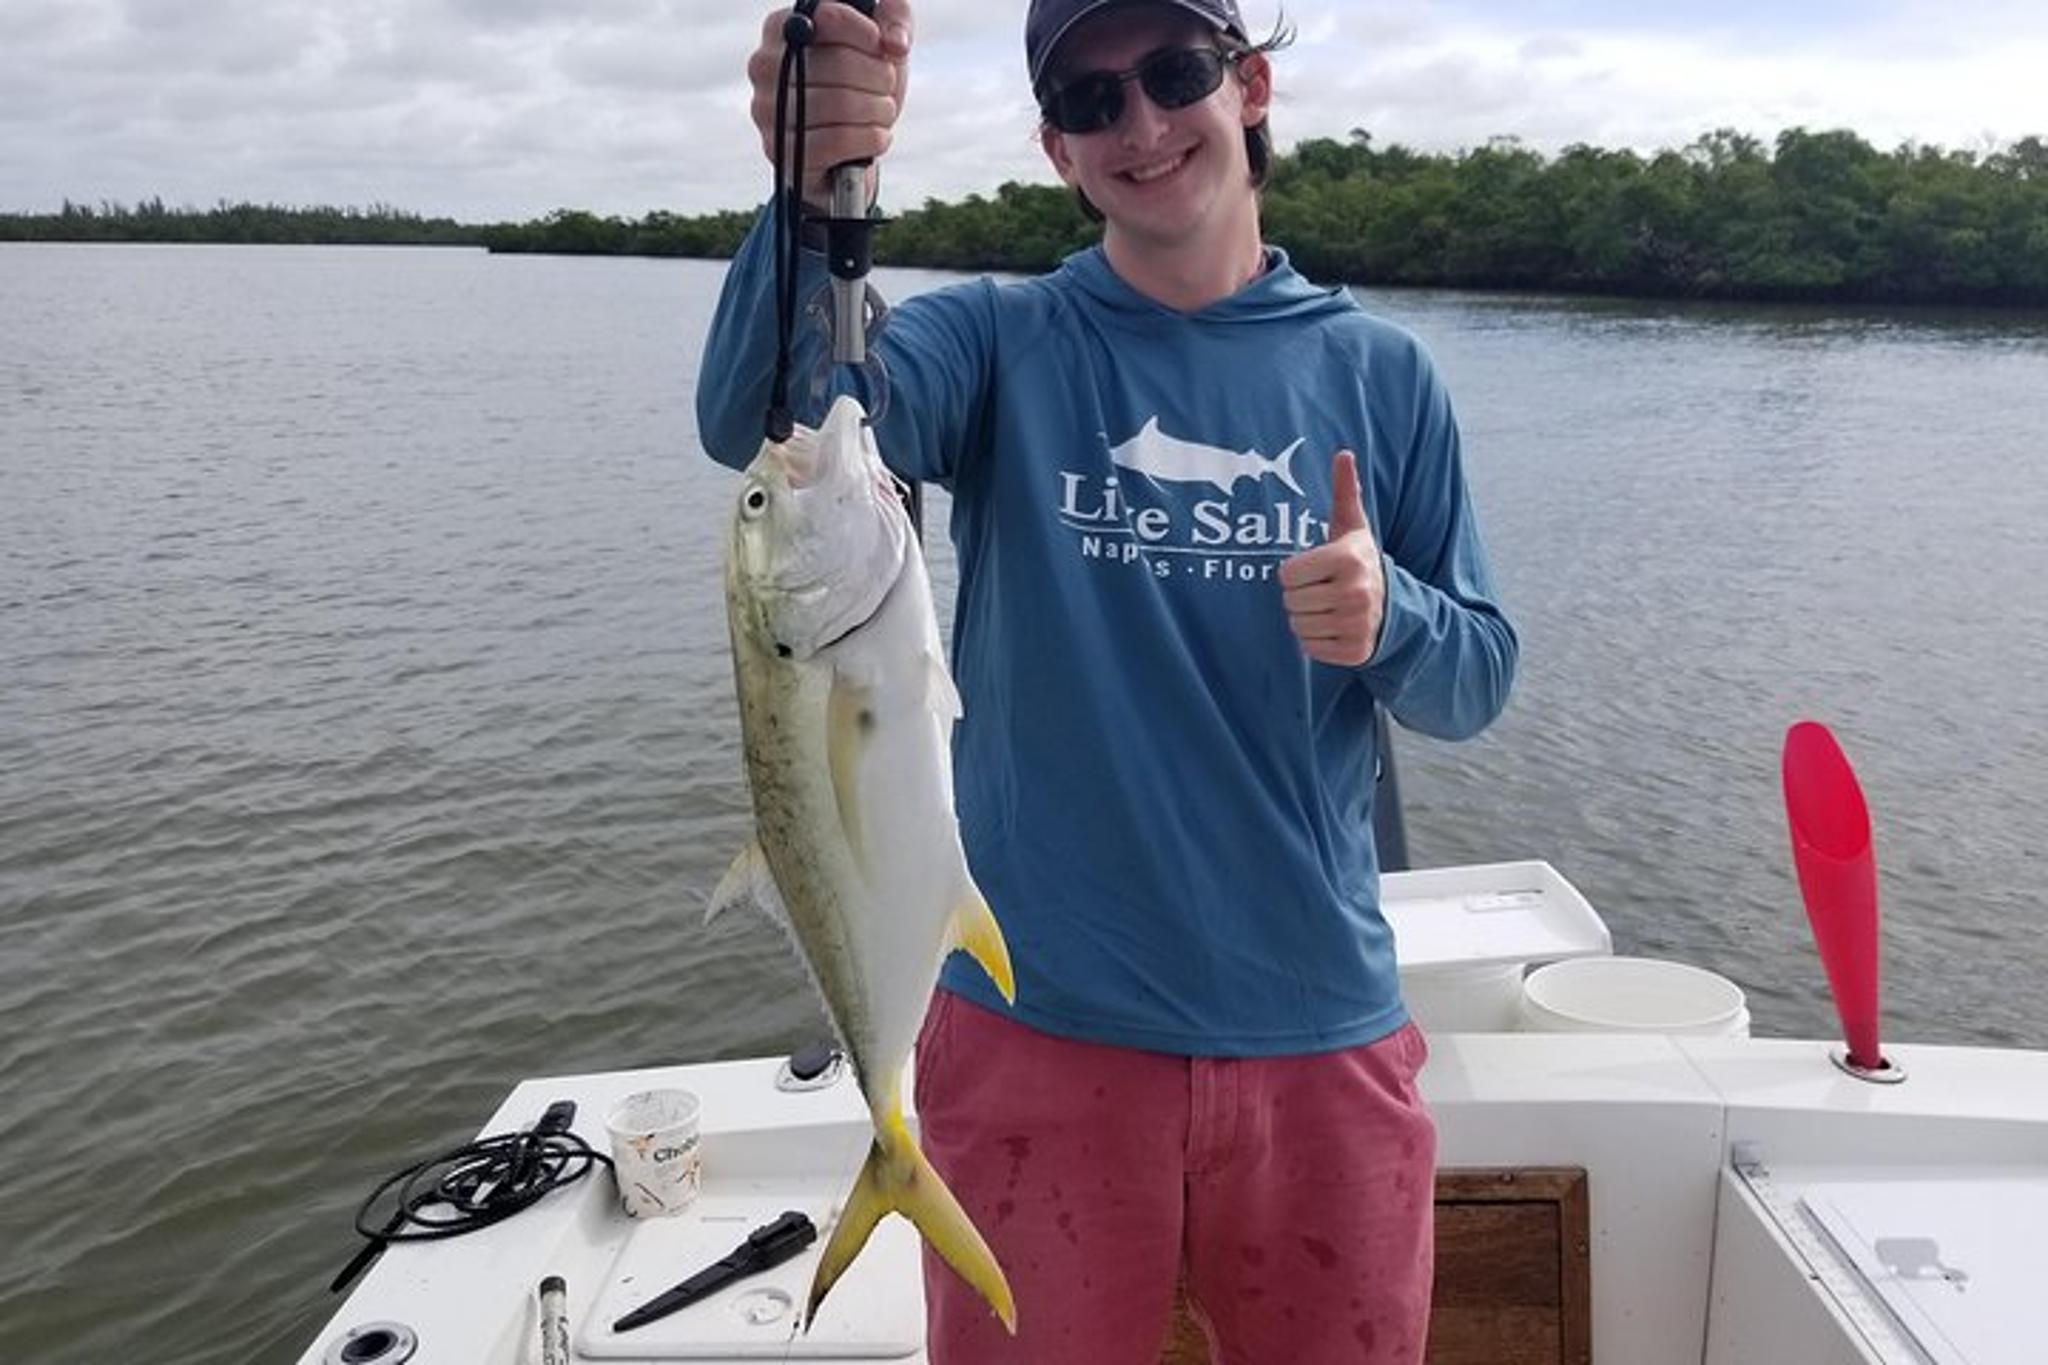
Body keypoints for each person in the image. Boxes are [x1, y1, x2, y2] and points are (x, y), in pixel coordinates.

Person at [697, 2, 1518, 1361]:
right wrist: (806, 188)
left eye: (1174, 73)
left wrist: (1393, 618)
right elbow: (769, 424)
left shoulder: (1384, 373)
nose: (1138, 123)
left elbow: (1478, 680)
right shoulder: (1000, 342)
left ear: (1250, 88)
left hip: (1320, 1032)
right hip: (1033, 1028)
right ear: (1056, 149)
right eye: (1089, 100)